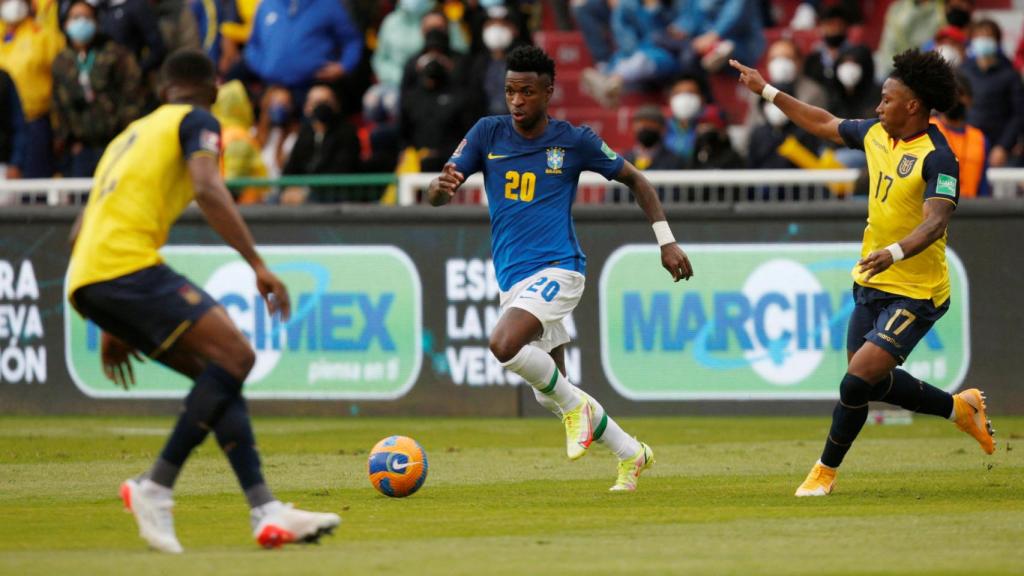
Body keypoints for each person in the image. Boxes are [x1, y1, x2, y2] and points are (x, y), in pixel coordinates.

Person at [66, 49, 340, 553]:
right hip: (125, 266)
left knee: (218, 376)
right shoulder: (198, 121)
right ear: (211, 88)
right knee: (237, 355)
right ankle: (155, 487)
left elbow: (79, 230)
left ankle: (265, 509)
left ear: (163, 88)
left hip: (89, 276)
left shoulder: (129, 135)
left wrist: (112, 320)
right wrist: (258, 264)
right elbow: (208, 188)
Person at [730, 49, 996, 497]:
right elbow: (821, 122)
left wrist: (894, 252)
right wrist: (768, 91)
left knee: (855, 380)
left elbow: (936, 221)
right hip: (871, 283)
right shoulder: (875, 135)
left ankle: (823, 473)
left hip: (917, 291)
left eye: (886, 99)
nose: (878, 107)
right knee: (868, 383)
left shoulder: (938, 156)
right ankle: (959, 409)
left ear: (912, 105)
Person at [429, 45, 693, 491]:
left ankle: (575, 413)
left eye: (527, 92)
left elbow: (637, 179)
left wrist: (666, 242)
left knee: (503, 343)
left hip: (560, 269)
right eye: (511, 91)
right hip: (513, 279)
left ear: (548, 91)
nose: (516, 100)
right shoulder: (487, 134)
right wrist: (440, 187)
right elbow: (439, 194)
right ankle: (632, 454)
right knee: (549, 388)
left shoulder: (574, 140)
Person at [51, 0, 143, 178]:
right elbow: (58, 105)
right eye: (75, 17)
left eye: (86, 17)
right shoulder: (61, 61)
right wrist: (68, 141)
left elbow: (132, 97)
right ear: (66, 22)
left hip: (115, 143)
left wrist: (125, 136)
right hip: (80, 148)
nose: (81, 22)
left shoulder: (115, 54)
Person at [961, 19, 1023, 168]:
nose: (983, 41)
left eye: (988, 37)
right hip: (967, 146)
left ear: (997, 41)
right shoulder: (963, 72)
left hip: (1000, 149)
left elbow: (1019, 114)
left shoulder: (1010, 74)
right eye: (979, 37)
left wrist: (1003, 146)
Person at [933, 75, 989, 198]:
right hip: (936, 211)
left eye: (960, 94)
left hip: (971, 212)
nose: (956, 100)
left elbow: (983, 186)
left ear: (970, 100)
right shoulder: (928, 129)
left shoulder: (979, 138)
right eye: (951, 95)